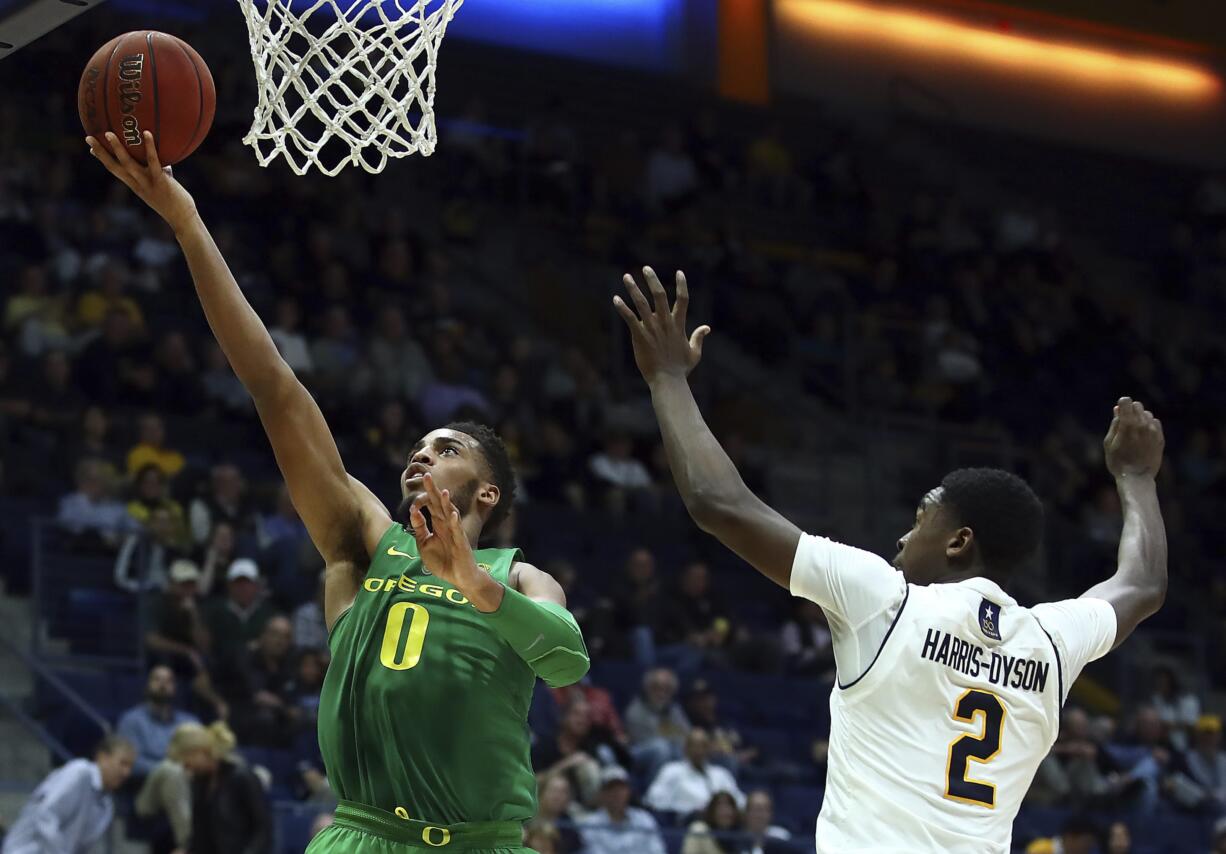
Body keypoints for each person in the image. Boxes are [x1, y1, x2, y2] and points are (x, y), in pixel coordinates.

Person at [87, 132, 589, 854]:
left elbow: (568, 661)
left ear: (485, 496)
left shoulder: (520, 576)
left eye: (446, 451)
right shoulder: (364, 544)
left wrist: (474, 582)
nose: (421, 455)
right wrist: (188, 226)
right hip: (363, 837)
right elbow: (273, 386)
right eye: (416, 448)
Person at [614, 267, 1168, 853]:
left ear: (959, 541)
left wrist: (668, 379)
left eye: (921, 518)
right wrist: (1137, 477)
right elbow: (1143, 584)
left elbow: (718, 503)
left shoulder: (886, 600)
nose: (903, 539)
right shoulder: (1050, 642)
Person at [1, 734, 135, 854]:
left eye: (130, 767)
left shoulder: (107, 806)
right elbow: (44, 815)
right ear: (103, 757)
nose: (126, 773)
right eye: (122, 764)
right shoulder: (79, 772)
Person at [176, 721, 272, 854]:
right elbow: (200, 833)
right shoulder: (199, 782)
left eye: (187, 762)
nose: (187, 768)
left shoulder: (241, 777)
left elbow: (263, 829)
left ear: (202, 752)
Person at [116, 665, 200, 780]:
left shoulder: (189, 721)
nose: (163, 684)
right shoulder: (131, 720)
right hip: (145, 785)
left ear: (175, 687)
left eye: (168, 681)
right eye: (157, 679)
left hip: (187, 782)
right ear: (147, 685)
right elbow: (132, 762)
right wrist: (173, 772)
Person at [644, 729, 745, 816]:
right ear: (685, 748)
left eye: (703, 746)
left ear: (708, 749)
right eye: (694, 746)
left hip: (716, 825)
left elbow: (739, 801)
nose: (699, 751)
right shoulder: (672, 771)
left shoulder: (721, 774)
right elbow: (653, 800)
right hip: (684, 822)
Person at [579, 766, 666, 854]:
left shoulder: (644, 820)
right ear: (602, 793)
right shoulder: (591, 825)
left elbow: (657, 851)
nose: (617, 793)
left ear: (628, 791)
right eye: (611, 789)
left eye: (621, 788)